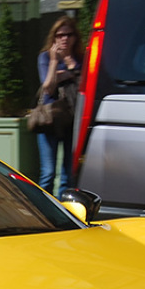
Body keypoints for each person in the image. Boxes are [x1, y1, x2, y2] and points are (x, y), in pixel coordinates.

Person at [35, 16, 81, 193]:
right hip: (50, 119)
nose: (65, 39)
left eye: (69, 35)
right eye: (60, 35)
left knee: (68, 173)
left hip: (71, 119)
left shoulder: (80, 58)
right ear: (54, 38)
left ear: (75, 37)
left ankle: (65, 210)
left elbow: (84, 84)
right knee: (48, 172)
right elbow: (47, 87)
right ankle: (43, 212)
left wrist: (70, 66)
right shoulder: (45, 57)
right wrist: (54, 62)